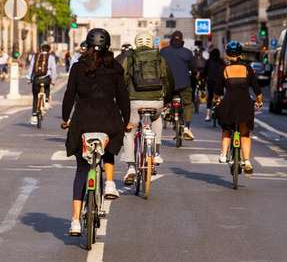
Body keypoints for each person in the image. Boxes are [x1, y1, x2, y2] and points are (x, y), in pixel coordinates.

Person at [61, 28, 130, 236]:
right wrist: (125, 121)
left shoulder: (77, 67)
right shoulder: (115, 67)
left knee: (82, 170)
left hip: (82, 123)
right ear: (108, 45)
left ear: (87, 45)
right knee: (109, 143)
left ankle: (74, 221)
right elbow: (123, 98)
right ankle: (109, 183)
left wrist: (66, 119)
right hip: (108, 121)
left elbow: (69, 96)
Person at [119, 32, 173, 185]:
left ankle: (130, 167)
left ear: (136, 43)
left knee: (130, 131)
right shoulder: (160, 58)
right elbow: (169, 80)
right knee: (156, 120)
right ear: (151, 43)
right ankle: (155, 153)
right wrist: (165, 100)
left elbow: (122, 80)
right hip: (156, 101)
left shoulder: (130, 58)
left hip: (135, 102)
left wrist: (122, 100)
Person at [215, 41, 262, 174]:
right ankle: (247, 160)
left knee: (226, 128)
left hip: (229, 104)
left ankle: (223, 154)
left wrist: (216, 100)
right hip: (245, 104)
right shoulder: (247, 69)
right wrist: (259, 101)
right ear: (241, 54)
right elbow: (256, 89)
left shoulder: (224, 69)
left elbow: (218, 90)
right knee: (245, 133)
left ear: (227, 55)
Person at [159, 30, 196, 140]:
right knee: (188, 104)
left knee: (164, 100)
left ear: (171, 40)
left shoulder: (163, 51)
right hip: (184, 84)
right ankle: (187, 128)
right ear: (182, 40)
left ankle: (166, 111)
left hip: (168, 85)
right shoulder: (187, 53)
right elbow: (193, 68)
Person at [27, 44, 57, 125]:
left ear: (41, 49)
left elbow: (31, 67)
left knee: (35, 96)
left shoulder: (35, 56)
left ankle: (34, 115)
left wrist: (29, 78)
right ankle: (46, 100)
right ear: (48, 50)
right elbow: (53, 69)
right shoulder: (51, 57)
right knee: (47, 87)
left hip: (36, 79)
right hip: (46, 79)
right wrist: (53, 80)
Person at [203, 48, 225, 121]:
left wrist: (201, 77)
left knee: (210, 97)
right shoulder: (221, 62)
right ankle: (221, 112)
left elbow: (205, 71)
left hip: (210, 82)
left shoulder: (208, 61)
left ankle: (208, 115)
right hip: (220, 82)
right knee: (221, 95)